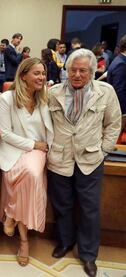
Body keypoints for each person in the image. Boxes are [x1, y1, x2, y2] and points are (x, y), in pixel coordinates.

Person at [47, 49, 121, 277]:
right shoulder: (53, 93)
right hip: (60, 158)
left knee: (90, 210)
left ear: (92, 71)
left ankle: (88, 255)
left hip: (91, 159)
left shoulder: (105, 92)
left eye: (83, 70)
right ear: (66, 70)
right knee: (63, 205)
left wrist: (103, 151)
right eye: (73, 70)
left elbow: (113, 124)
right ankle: (66, 242)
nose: (77, 74)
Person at [0, 58, 53, 267]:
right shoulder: (7, 99)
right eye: (37, 73)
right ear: (23, 76)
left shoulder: (45, 99)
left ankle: (19, 231)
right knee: (25, 179)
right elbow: (5, 134)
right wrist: (32, 144)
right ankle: (16, 226)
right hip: (14, 150)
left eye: (43, 73)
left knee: (32, 174)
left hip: (39, 152)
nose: (41, 77)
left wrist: (42, 147)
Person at [107, 34, 126, 129]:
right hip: (121, 112)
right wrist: (124, 113)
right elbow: (119, 91)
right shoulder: (121, 64)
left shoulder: (120, 60)